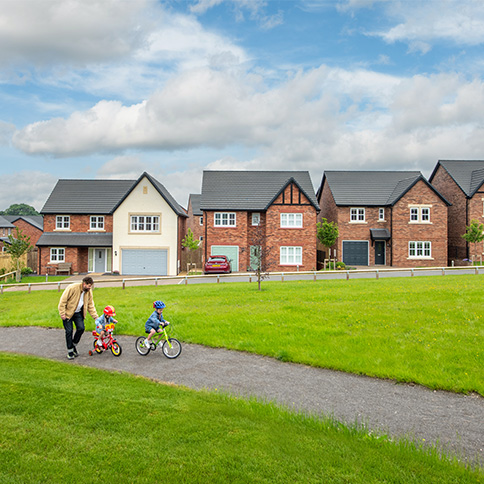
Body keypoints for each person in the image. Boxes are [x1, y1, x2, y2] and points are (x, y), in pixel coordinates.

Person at [58, 276, 99, 359]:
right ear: (84, 284)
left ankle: (73, 345)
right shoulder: (72, 288)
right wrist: (62, 313)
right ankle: (70, 351)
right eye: (89, 286)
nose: (90, 288)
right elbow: (62, 301)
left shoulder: (88, 292)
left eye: (91, 286)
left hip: (78, 313)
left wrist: (95, 317)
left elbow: (90, 305)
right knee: (69, 331)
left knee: (81, 328)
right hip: (68, 313)